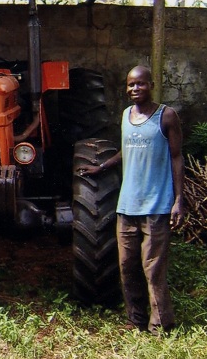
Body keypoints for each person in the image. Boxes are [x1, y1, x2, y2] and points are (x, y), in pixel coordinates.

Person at [78, 65, 185, 335]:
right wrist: (101, 167)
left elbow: (176, 157)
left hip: (156, 207)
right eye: (130, 85)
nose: (134, 89)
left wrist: (178, 200)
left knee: (153, 269)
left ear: (151, 84)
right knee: (127, 267)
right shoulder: (126, 115)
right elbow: (125, 151)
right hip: (126, 207)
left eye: (140, 84)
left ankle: (161, 325)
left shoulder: (167, 116)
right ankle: (136, 320)